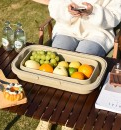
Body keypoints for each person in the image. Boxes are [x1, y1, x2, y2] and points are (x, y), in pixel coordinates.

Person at [32, 0, 121, 129]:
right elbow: (55, 5)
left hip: (97, 33)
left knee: (81, 70)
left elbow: (115, 16)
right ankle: (47, 113)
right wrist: (67, 10)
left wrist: (93, 12)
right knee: (55, 66)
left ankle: (70, 116)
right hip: (65, 29)